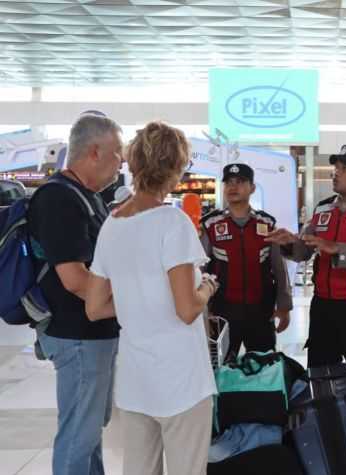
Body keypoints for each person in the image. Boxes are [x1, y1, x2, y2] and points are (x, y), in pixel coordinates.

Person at [85, 121, 219, 475]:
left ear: (134, 163)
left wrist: (136, 299)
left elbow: (95, 307)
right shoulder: (172, 223)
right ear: (176, 168)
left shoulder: (112, 224)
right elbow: (187, 309)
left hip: (135, 380)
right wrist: (206, 286)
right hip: (181, 381)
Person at [265, 144, 346, 474]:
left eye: (344, 167)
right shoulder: (322, 211)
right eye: (335, 166)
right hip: (324, 310)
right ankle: (323, 441)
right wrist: (288, 243)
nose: (335, 171)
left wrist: (336, 248)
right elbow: (303, 251)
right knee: (319, 377)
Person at [28, 112, 123, 475]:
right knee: (78, 436)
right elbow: (75, 279)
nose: (121, 162)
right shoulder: (59, 199)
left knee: (88, 432)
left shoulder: (87, 197)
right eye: (117, 153)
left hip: (93, 333)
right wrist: (130, 303)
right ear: (94, 151)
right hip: (78, 335)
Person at [200, 163, 292, 362]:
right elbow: (200, 270)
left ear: (252, 188)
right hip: (222, 314)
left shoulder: (266, 224)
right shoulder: (211, 225)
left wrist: (284, 305)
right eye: (228, 183)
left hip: (261, 312)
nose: (233, 187)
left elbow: (279, 268)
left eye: (240, 182)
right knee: (220, 369)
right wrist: (203, 311)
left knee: (264, 370)